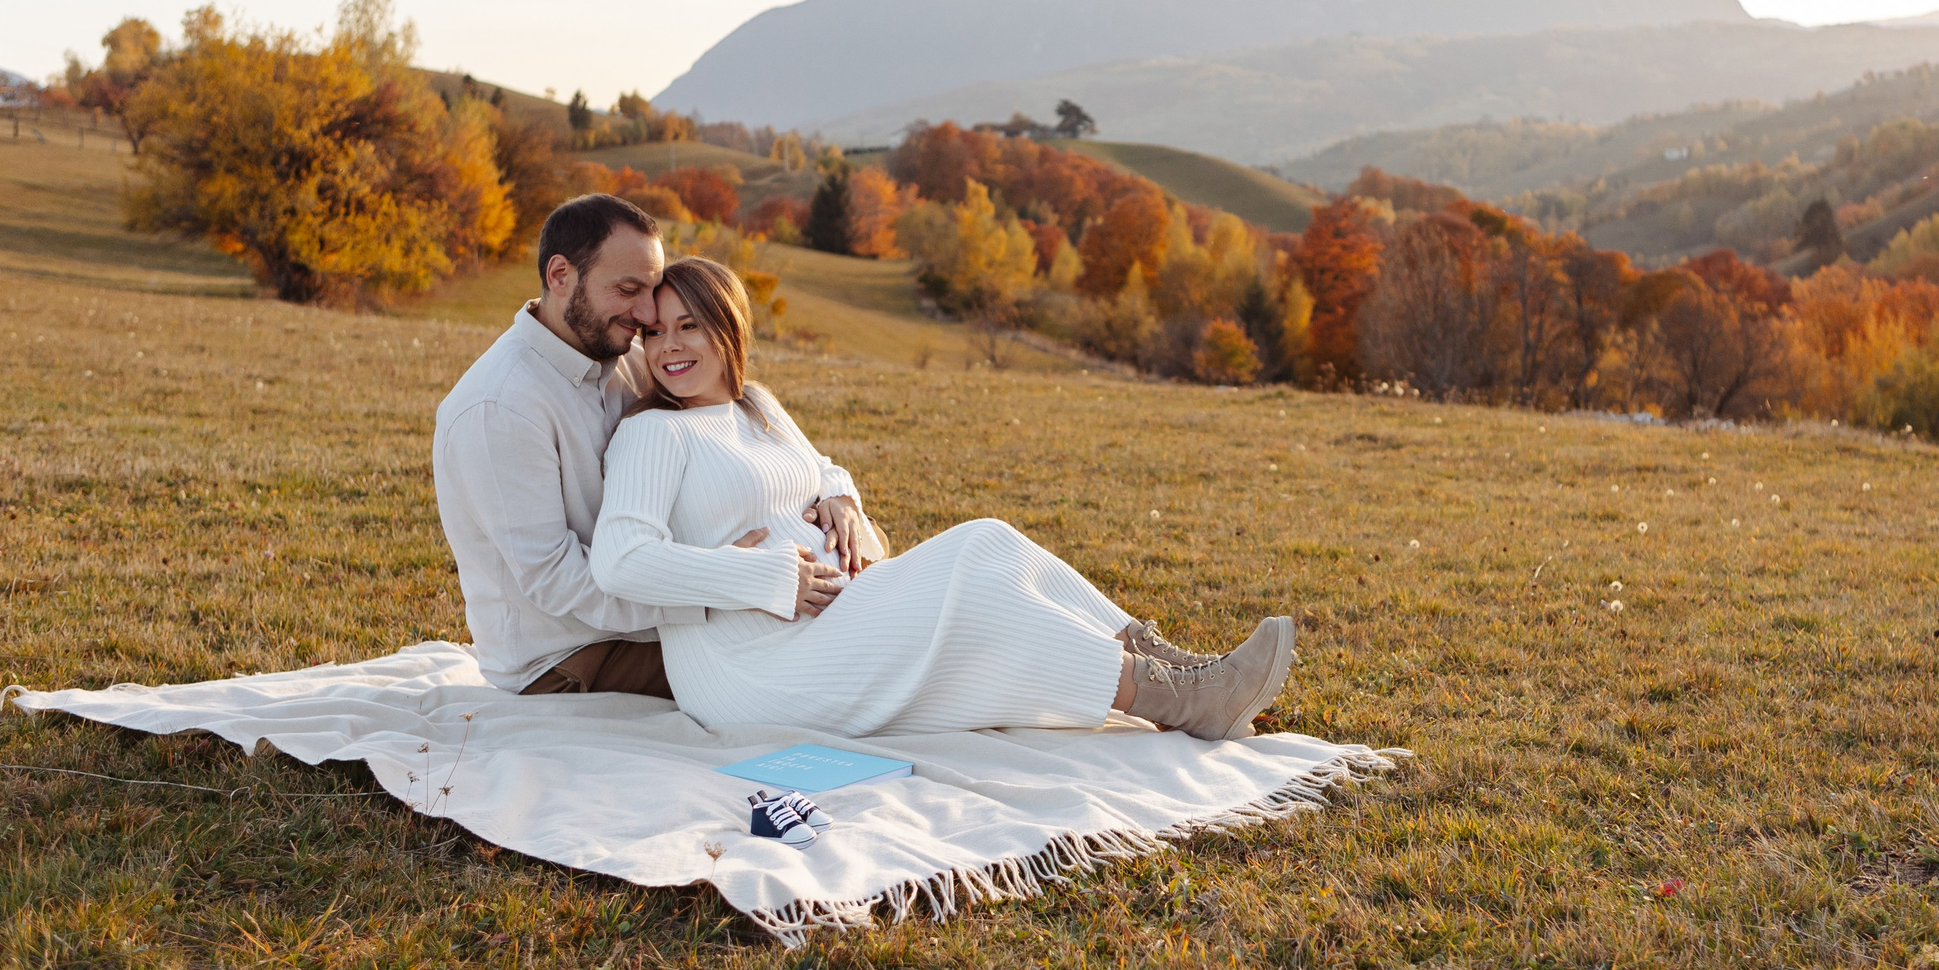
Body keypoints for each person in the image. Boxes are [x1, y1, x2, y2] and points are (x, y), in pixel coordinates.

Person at [591, 256, 1296, 741]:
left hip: (832, 620)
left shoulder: (757, 406)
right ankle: (1177, 699)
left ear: (728, 328)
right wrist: (765, 575)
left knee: (987, 539)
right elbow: (619, 559)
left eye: (689, 325)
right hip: (751, 663)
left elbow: (821, 468)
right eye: (654, 332)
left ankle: (1179, 669)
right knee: (980, 591)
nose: (669, 346)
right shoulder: (654, 434)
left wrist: (843, 500)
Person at [433, 194, 789, 698]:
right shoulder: (499, 408)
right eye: (628, 290)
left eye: (651, 291)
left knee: (820, 621)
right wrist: (717, 586)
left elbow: (731, 419)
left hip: (662, 615)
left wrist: (833, 493)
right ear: (560, 276)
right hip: (571, 658)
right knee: (784, 659)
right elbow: (557, 581)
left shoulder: (626, 358)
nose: (646, 313)